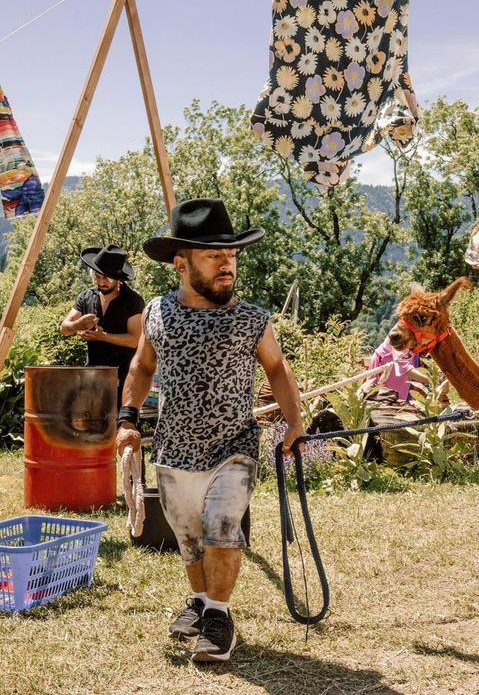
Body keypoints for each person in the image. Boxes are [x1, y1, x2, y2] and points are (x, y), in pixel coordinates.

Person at [116, 198, 305, 663]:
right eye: (214, 255)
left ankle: (219, 617)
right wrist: (127, 419)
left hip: (234, 445)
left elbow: (277, 369)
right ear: (181, 263)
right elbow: (142, 366)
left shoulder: (252, 318)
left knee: (222, 528)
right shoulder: (158, 313)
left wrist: (295, 421)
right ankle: (200, 602)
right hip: (174, 446)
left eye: (232, 255)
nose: (228, 264)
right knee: (189, 537)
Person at [59, 245, 145, 397]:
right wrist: (76, 325)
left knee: (117, 420)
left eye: (106, 278)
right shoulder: (86, 297)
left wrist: (103, 336)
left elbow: (134, 340)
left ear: (118, 278)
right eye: (97, 276)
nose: (101, 282)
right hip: (92, 377)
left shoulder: (133, 301)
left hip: (124, 379)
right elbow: (64, 328)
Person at [365, 339, 429, 403]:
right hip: (390, 365)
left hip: (397, 366)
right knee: (389, 399)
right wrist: (431, 382)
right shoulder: (402, 335)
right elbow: (405, 367)